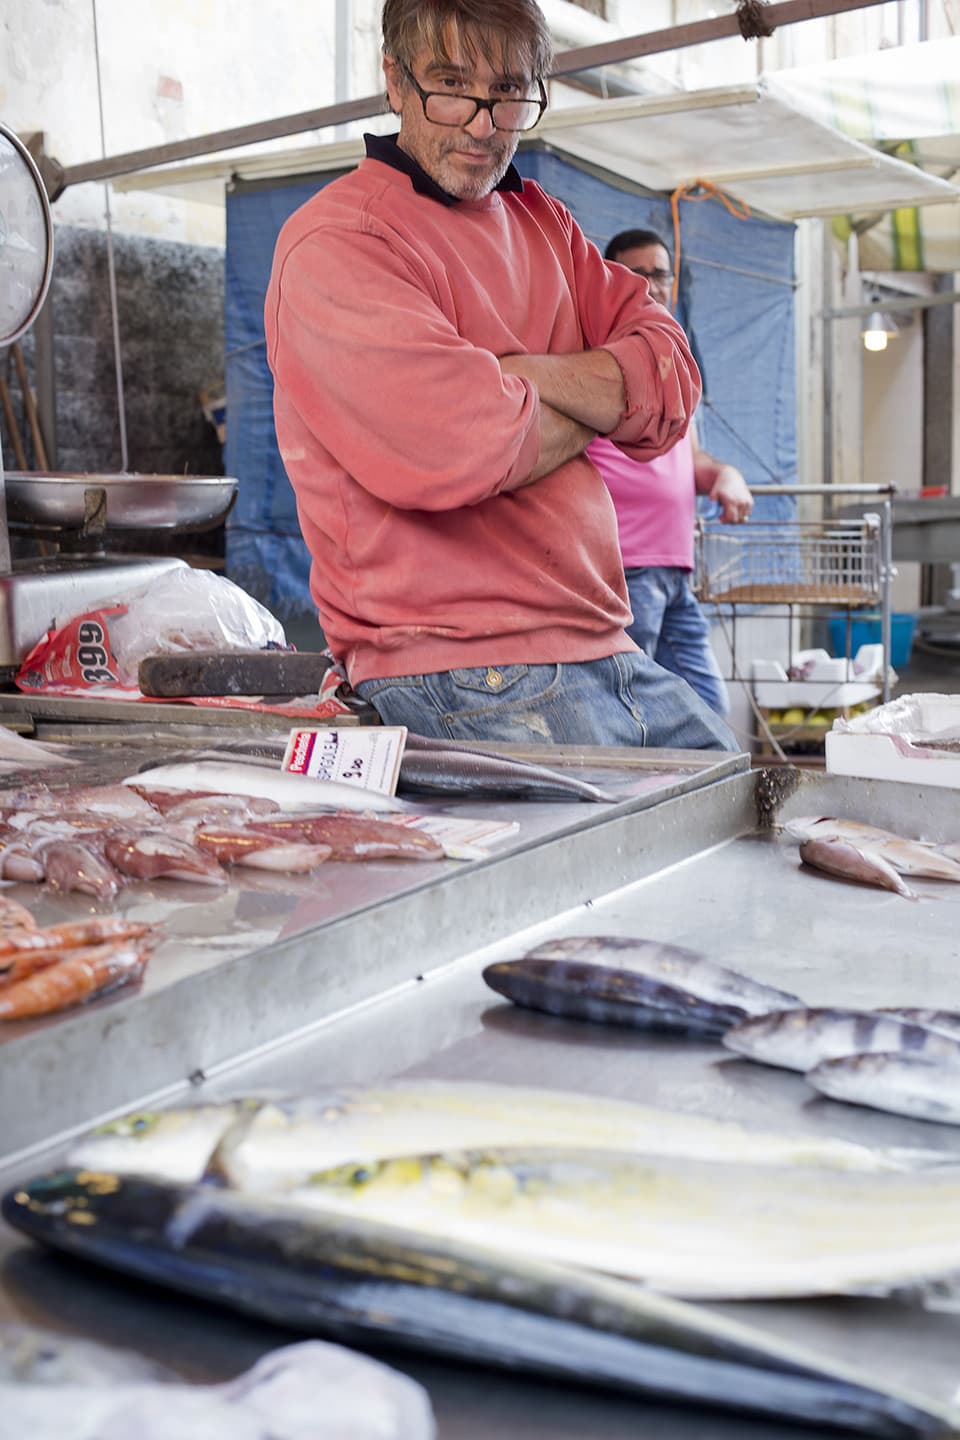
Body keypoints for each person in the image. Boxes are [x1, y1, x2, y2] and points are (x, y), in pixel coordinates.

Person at [264, 0, 737, 753]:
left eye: (511, 92)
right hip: (456, 665)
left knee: (745, 822)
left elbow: (674, 384)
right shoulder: (338, 240)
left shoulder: (544, 221)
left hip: (605, 643)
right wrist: (604, 400)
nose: (484, 124)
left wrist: (518, 376)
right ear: (394, 80)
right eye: (450, 85)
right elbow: (460, 447)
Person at [588, 228, 754, 717]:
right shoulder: (594, 355)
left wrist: (727, 475)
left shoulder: (676, 364)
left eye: (660, 274)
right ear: (610, 280)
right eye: (636, 275)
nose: (651, 286)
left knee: (709, 716)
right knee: (631, 716)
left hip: (676, 570)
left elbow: (693, 459)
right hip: (623, 569)